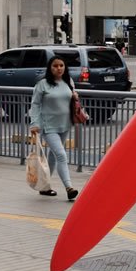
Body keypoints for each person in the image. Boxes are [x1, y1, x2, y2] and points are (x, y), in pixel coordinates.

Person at [27, 57, 80, 201]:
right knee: (61, 155)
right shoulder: (42, 84)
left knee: (53, 155)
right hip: (48, 126)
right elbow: (35, 104)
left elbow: (71, 99)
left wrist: (74, 97)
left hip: (65, 124)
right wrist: (34, 123)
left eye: (61, 65)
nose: (59, 68)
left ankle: (44, 186)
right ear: (50, 68)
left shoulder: (68, 82)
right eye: (55, 66)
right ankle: (69, 188)